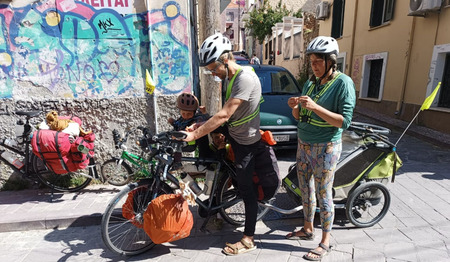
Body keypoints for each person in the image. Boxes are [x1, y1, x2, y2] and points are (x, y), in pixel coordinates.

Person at [182, 33, 262, 256]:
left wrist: (195, 134)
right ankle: (215, 204)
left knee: (247, 190)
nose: (212, 73)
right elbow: (221, 114)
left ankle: (249, 239)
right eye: (209, 69)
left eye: (213, 67)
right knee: (214, 157)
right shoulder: (228, 78)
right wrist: (199, 125)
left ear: (226, 59)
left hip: (246, 141)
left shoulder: (245, 77)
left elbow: (225, 115)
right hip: (234, 132)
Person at [286, 36, 356, 261]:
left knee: (324, 193)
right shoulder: (311, 82)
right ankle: (308, 229)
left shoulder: (343, 83)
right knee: (305, 189)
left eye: (318, 61)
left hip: (326, 147)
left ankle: (325, 241)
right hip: (303, 144)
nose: (314, 66)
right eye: (312, 61)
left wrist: (315, 107)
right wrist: (295, 107)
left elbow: (344, 121)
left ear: (331, 62)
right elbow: (300, 117)